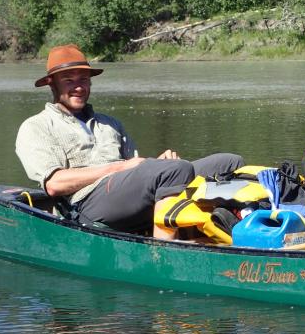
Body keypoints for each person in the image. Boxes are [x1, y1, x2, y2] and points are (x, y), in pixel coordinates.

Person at [15, 44, 245, 239]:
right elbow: (54, 185)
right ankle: (163, 254)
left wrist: (157, 163)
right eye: (68, 80)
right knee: (175, 170)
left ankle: (235, 234)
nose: (78, 87)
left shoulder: (110, 123)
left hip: (123, 194)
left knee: (228, 163)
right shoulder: (37, 126)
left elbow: (136, 170)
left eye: (83, 80)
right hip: (85, 205)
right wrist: (123, 167)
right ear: (51, 84)